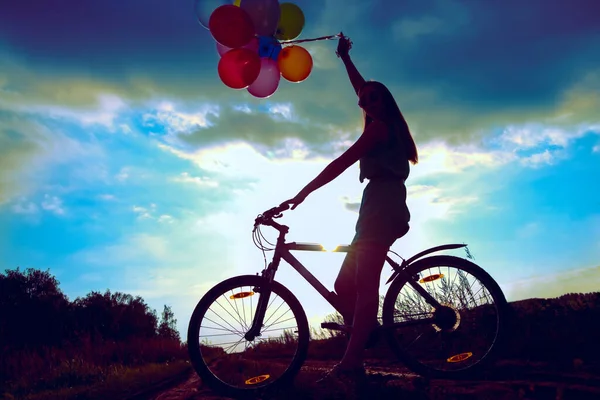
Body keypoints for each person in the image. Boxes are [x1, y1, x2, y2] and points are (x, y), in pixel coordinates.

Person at [281, 34, 419, 383]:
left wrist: (303, 193)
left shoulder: (379, 131)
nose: (366, 103)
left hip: (382, 207)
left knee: (366, 284)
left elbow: (341, 162)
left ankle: (352, 361)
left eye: (373, 99)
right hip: (373, 205)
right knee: (344, 286)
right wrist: (344, 59)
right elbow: (363, 90)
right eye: (364, 101)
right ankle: (365, 330)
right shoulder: (379, 118)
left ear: (384, 102)